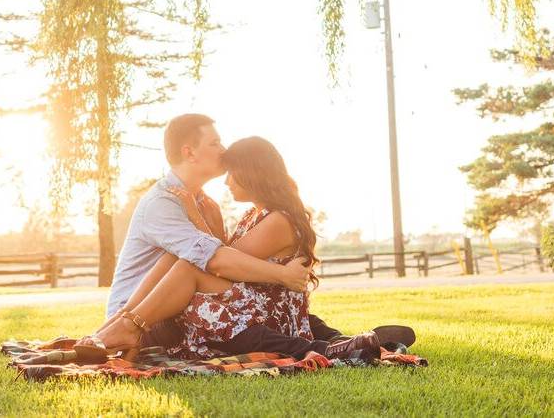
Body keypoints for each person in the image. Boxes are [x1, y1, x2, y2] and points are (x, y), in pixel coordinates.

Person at [83, 114, 411, 361]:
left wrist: (203, 219)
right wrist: (280, 273)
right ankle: (125, 324)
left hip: (223, 306)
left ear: (251, 173)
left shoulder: (263, 216)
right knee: (185, 264)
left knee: (190, 269)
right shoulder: (167, 202)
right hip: (166, 313)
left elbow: (217, 261)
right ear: (189, 152)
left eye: (233, 170)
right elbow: (218, 260)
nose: (223, 156)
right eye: (215, 143)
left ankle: (341, 344)